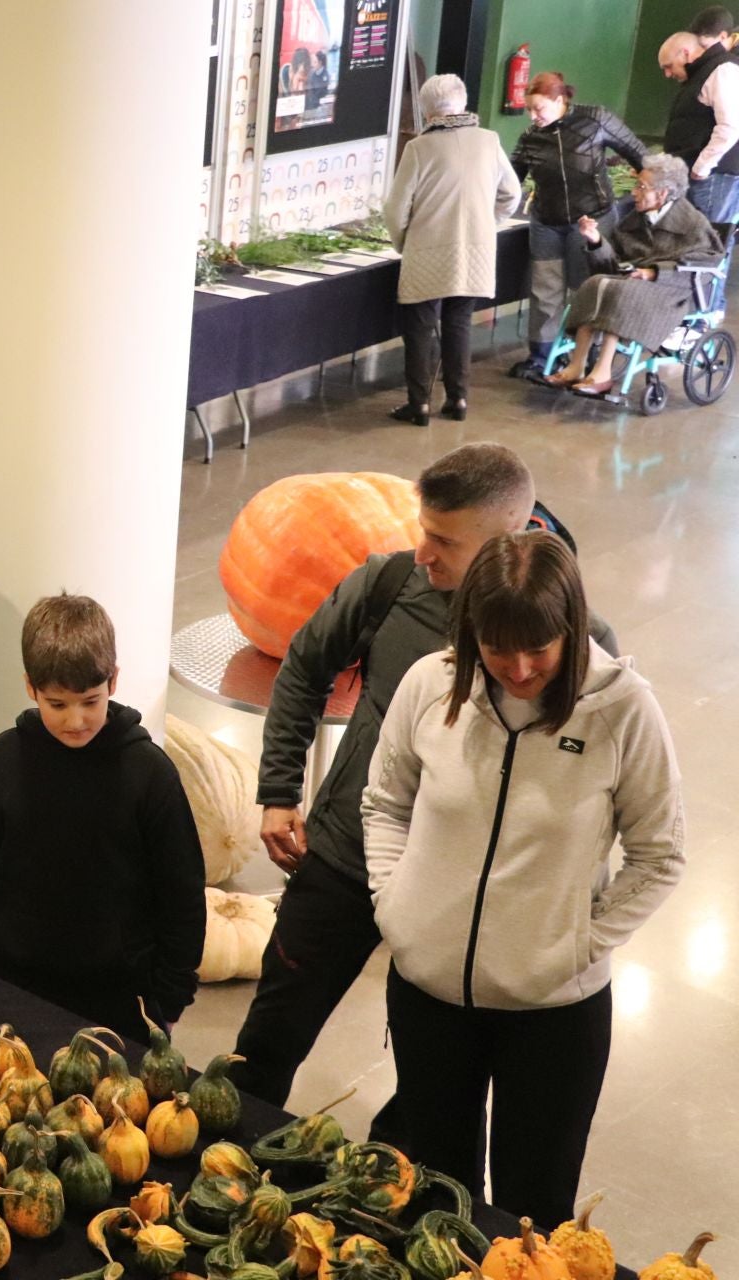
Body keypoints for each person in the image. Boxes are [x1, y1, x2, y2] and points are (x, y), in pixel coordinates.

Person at [231, 443, 618, 1134]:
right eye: (423, 530)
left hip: (458, 907)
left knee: (435, 1085)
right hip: (345, 863)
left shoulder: (570, 639)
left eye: (443, 539)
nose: (422, 553)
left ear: (509, 541)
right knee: (268, 1041)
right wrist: (279, 790)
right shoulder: (386, 586)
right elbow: (302, 669)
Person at [363, 532, 683, 1226]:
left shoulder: (624, 713)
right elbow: (384, 804)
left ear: (571, 627)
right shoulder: (430, 686)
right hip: (429, 997)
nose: (519, 666)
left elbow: (660, 855)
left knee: (531, 1214)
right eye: (498, 647)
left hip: (553, 1015)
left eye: (540, 647)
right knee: (435, 1203)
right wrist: (396, 907)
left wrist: (574, 944)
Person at [0, 594, 207, 1033]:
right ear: (31, 687)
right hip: (13, 986)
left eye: (90, 701)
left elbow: (181, 891)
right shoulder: (0, 760)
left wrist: (170, 995)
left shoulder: (150, 773)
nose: (76, 720)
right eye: (57, 704)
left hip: (122, 1001)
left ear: (113, 681)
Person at [384, 75, 521, 425]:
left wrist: (403, 242)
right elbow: (512, 194)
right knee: (459, 322)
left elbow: (396, 209)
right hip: (475, 251)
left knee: (419, 327)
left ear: (427, 110)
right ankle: (458, 399)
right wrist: (488, 223)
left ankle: (420, 405)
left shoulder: (418, 148)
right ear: (462, 103)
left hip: (427, 250)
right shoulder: (489, 141)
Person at [545, 154, 724, 395]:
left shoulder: (692, 223)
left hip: (672, 293)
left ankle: (602, 373)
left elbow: (709, 262)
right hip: (633, 283)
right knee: (594, 284)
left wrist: (655, 273)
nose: (634, 192)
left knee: (623, 292)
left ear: (662, 193)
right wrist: (596, 242)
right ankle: (577, 365)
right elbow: (612, 266)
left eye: (641, 187)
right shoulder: (635, 219)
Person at [507, 72, 647, 377]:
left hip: (591, 220)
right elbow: (510, 180)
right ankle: (541, 357)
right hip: (546, 221)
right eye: (529, 109)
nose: (533, 116)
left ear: (560, 101)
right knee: (545, 290)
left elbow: (638, 153)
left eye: (539, 109)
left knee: (585, 289)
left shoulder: (595, 119)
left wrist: (652, 194)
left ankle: (582, 357)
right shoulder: (531, 136)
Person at [659, 31, 739, 223]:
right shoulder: (700, 74)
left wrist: (702, 168)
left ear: (685, 53)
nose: (667, 74)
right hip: (704, 177)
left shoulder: (721, 70)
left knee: (708, 246)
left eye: (669, 66)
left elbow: (730, 126)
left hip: (713, 178)